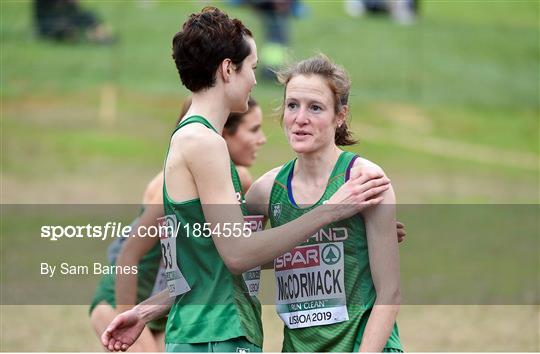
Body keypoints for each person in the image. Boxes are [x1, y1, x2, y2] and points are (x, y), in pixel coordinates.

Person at [101, 6, 391, 352]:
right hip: (216, 335)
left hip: (209, 333)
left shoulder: (194, 138)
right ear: (228, 69)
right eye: (251, 68)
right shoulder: (204, 142)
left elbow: (211, 267)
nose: (254, 80)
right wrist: (330, 211)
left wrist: (352, 236)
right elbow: (238, 256)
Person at [246, 54, 403, 351]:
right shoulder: (266, 190)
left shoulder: (366, 181)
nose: (300, 119)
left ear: (340, 115)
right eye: (292, 105)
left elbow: (390, 294)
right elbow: (240, 260)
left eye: (315, 108)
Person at [89, 97, 266, 351]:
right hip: (125, 300)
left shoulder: (233, 180)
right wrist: (129, 317)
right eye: (254, 129)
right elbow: (128, 255)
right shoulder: (174, 184)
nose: (262, 139)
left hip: (171, 306)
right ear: (223, 132)